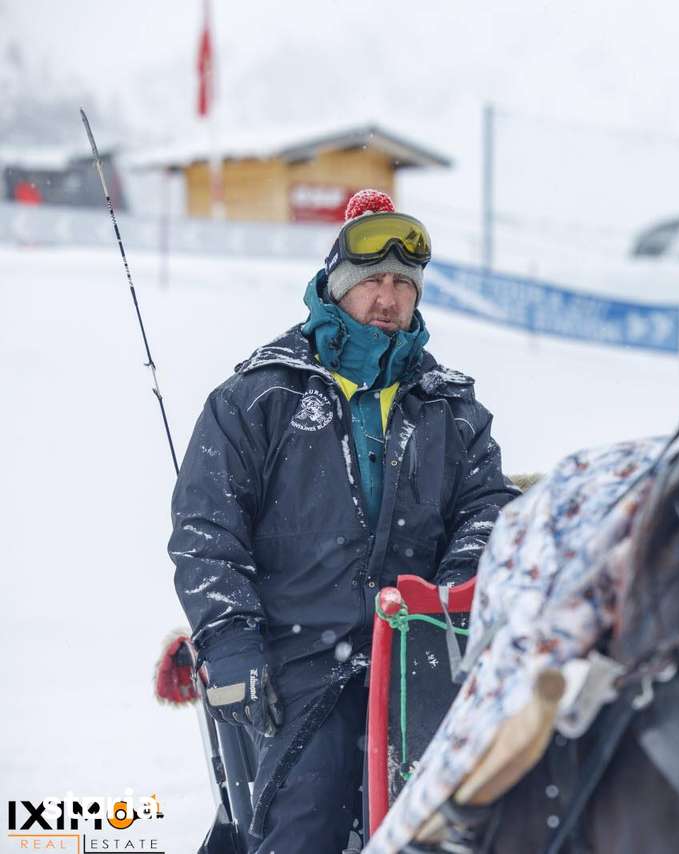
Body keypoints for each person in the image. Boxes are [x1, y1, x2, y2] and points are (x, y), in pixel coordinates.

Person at [169, 189, 519, 853]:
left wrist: (446, 601)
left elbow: (488, 509)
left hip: (423, 664)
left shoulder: (451, 408)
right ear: (337, 286)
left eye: (403, 284)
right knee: (306, 822)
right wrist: (232, 640)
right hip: (300, 667)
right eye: (372, 281)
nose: (387, 298)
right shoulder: (259, 397)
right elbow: (206, 530)